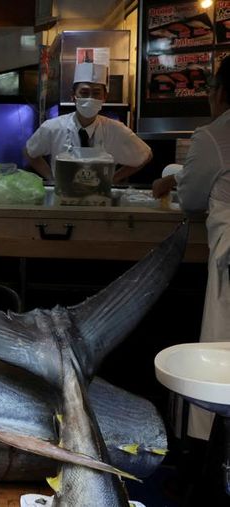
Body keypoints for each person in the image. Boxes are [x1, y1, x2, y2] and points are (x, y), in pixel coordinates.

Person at [152, 59, 230, 440]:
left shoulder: (215, 134)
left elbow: (192, 200)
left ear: (218, 92)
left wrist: (176, 181)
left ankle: (213, 456)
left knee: (221, 362)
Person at [24, 62, 152, 182]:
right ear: (73, 95)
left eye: (96, 93)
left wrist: (113, 180)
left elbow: (146, 155)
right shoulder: (53, 127)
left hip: (100, 200)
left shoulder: (115, 130)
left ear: (104, 97)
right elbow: (29, 152)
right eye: (84, 92)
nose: (90, 98)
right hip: (63, 199)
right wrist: (51, 178)